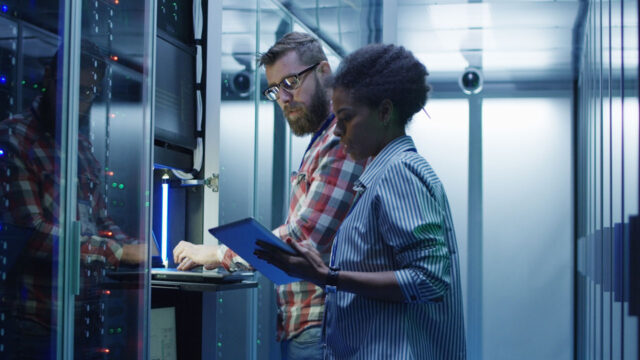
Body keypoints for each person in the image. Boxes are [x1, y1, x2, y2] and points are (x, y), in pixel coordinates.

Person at [254, 43, 466, 359]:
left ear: (384, 112)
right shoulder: (380, 174)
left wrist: (329, 277)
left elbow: (430, 280)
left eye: (347, 118)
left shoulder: (398, 172)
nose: (337, 131)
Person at [172, 32, 366, 359]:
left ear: (324, 71)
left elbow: (301, 239)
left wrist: (217, 254)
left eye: (291, 81)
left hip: (324, 325)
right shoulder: (322, 142)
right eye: (275, 89)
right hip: (311, 324)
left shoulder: (340, 142)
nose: (284, 98)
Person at [0, 44, 144, 359]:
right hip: (33, 321)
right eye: (71, 88)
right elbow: (32, 235)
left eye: (87, 92)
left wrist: (143, 251)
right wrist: (118, 252)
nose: (77, 102)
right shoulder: (14, 139)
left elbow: (100, 220)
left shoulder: (78, 145)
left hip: (81, 317)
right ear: (49, 77)